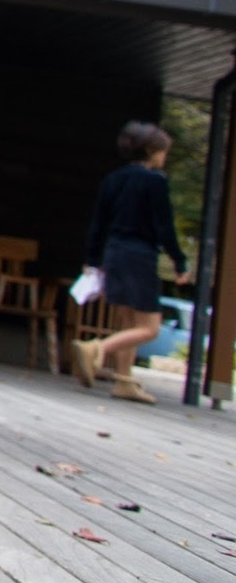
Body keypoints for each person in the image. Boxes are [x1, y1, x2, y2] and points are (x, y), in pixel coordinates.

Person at [71, 121, 189, 404]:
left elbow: (98, 223)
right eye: (163, 152)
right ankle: (96, 349)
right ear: (152, 151)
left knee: (128, 322)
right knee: (150, 328)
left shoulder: (114, 179)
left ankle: (123, 381)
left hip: (113, 254)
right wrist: (179, 261)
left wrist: (92, 260)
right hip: (139, 256)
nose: (164, 158)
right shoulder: (155, 181)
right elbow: (164, 227)